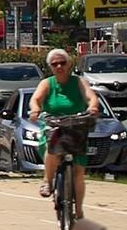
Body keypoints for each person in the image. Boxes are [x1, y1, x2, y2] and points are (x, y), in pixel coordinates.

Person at [29, 46, 96, 207]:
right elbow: (35, 99)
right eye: (54, 64)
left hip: (76, 125)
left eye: (62, 63)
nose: (59, 66)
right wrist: (35, 109)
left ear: (69, 64)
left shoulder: (79, 81)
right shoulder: (47, 83)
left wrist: (93, 107)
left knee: (79, 173)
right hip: (54, 125)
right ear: (50, 67)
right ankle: (47, 180)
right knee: (52, 147)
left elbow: (91, 97)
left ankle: (78, 210)